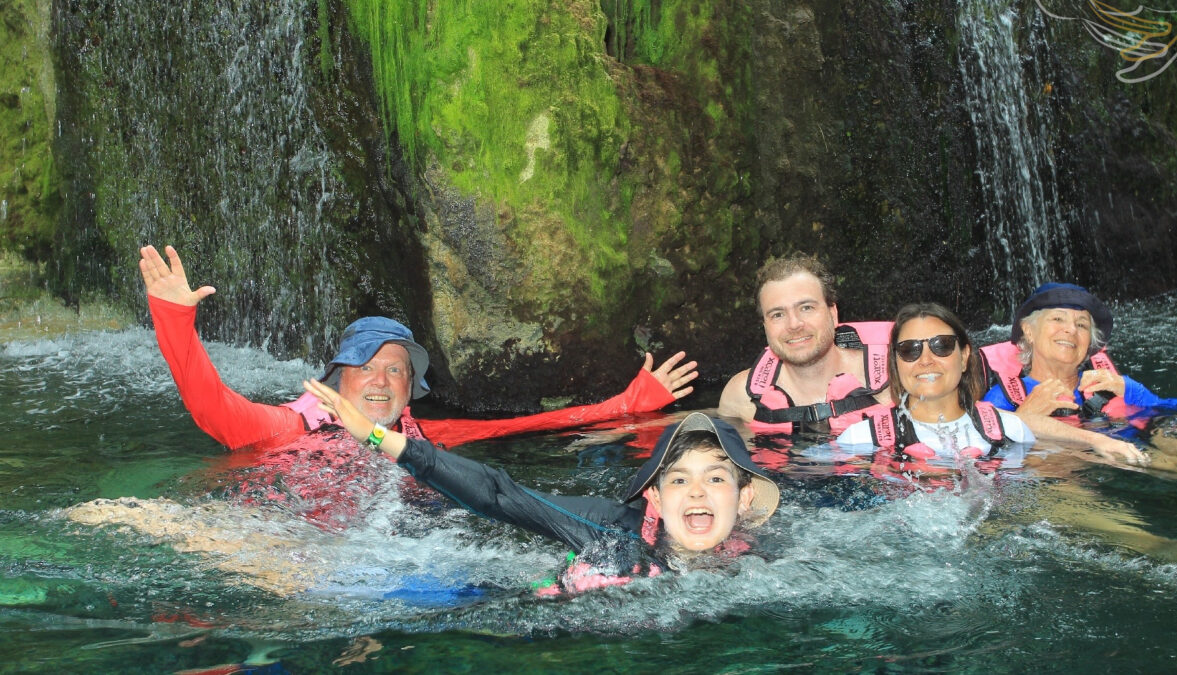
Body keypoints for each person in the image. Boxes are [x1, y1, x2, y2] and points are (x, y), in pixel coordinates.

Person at [139, 244, 699, 453]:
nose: (380, 380)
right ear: (336, 380)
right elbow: (210, 404)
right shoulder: (287, 428)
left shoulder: (427, 437)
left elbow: (529, 426)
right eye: (367, 367)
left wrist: (627, 406)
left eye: (396, 371)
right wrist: (173, 318)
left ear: (412, 391)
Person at [303, 377, 781, 594]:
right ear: (654, 496)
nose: (697, 492)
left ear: (743, 499)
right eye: (679, 480)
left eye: (715, 478)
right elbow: (500, 495)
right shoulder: (609, 530)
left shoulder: (769, 564)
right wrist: (377, 436)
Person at [835, 303, 1034, 471]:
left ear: (964, 357)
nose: (926, 360)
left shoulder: (1013, 432)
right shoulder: (859, 440)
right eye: (909, 349)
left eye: (942, 345)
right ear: (896, 364)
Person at [717, 254, 893, 434]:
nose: (794, 325)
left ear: (833, 314)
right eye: (778, 314)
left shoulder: (895, 380)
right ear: (765, 326)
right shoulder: (740, 397)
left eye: (806, 308)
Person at [981, 282, 1177, 420]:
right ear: (1028, 331)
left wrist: (1134, 390)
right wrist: (1023, 418)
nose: (1071, 329)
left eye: (1082, 325)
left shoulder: (1113, 387)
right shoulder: (1004, 400)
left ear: (1090, 342)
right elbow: (981, 453)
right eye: (1058, 318)